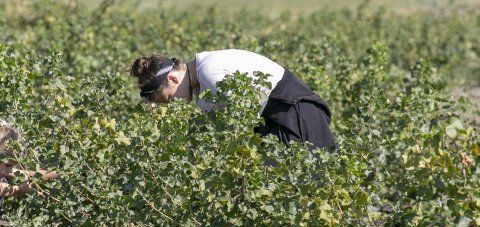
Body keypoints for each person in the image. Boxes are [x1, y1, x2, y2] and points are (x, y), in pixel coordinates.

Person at [130, 49, 336, 149]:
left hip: (294, 113)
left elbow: (240, 126)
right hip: (276, 123)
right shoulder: (201, 87)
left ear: (173, 78)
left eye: (167, 99)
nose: (172, 104)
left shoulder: (210, 71)